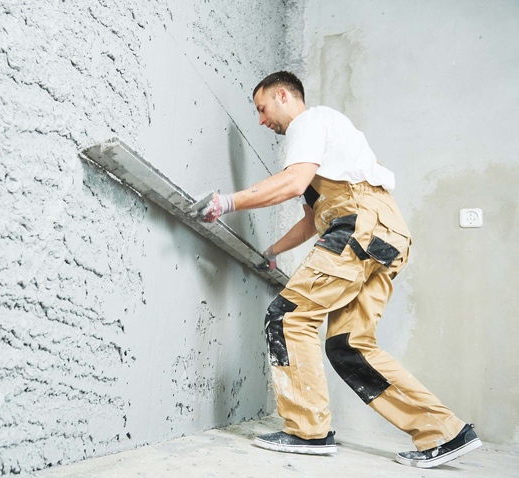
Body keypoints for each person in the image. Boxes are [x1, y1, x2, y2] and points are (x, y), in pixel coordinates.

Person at [195, 71, 481, 468]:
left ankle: (307, 431)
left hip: (359, 225)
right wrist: (272, 251)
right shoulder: (328, 143)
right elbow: (313, 219)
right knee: (348, 345)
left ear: (282, 95)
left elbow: (293, 184)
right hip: (385, 234)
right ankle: (444, 431)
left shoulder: (309, 123)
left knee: (288, 316)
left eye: (262, 109)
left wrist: (228, 203)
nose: (262, 120)